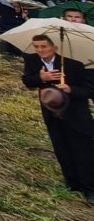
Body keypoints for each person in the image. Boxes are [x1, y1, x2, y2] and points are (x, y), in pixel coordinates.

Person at [21, 34, 94, 204]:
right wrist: (41, 78)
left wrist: (70, 89)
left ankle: (90, 187)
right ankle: (72, 182)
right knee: (61, 148)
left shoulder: (75, 63)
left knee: (82, 150)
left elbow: (89, 89)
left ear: (54, 48)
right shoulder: (33, 60)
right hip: (52, 113)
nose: (40, 50)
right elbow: (27, 80)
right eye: (36, 47)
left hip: (76, 114)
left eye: (44, 47)